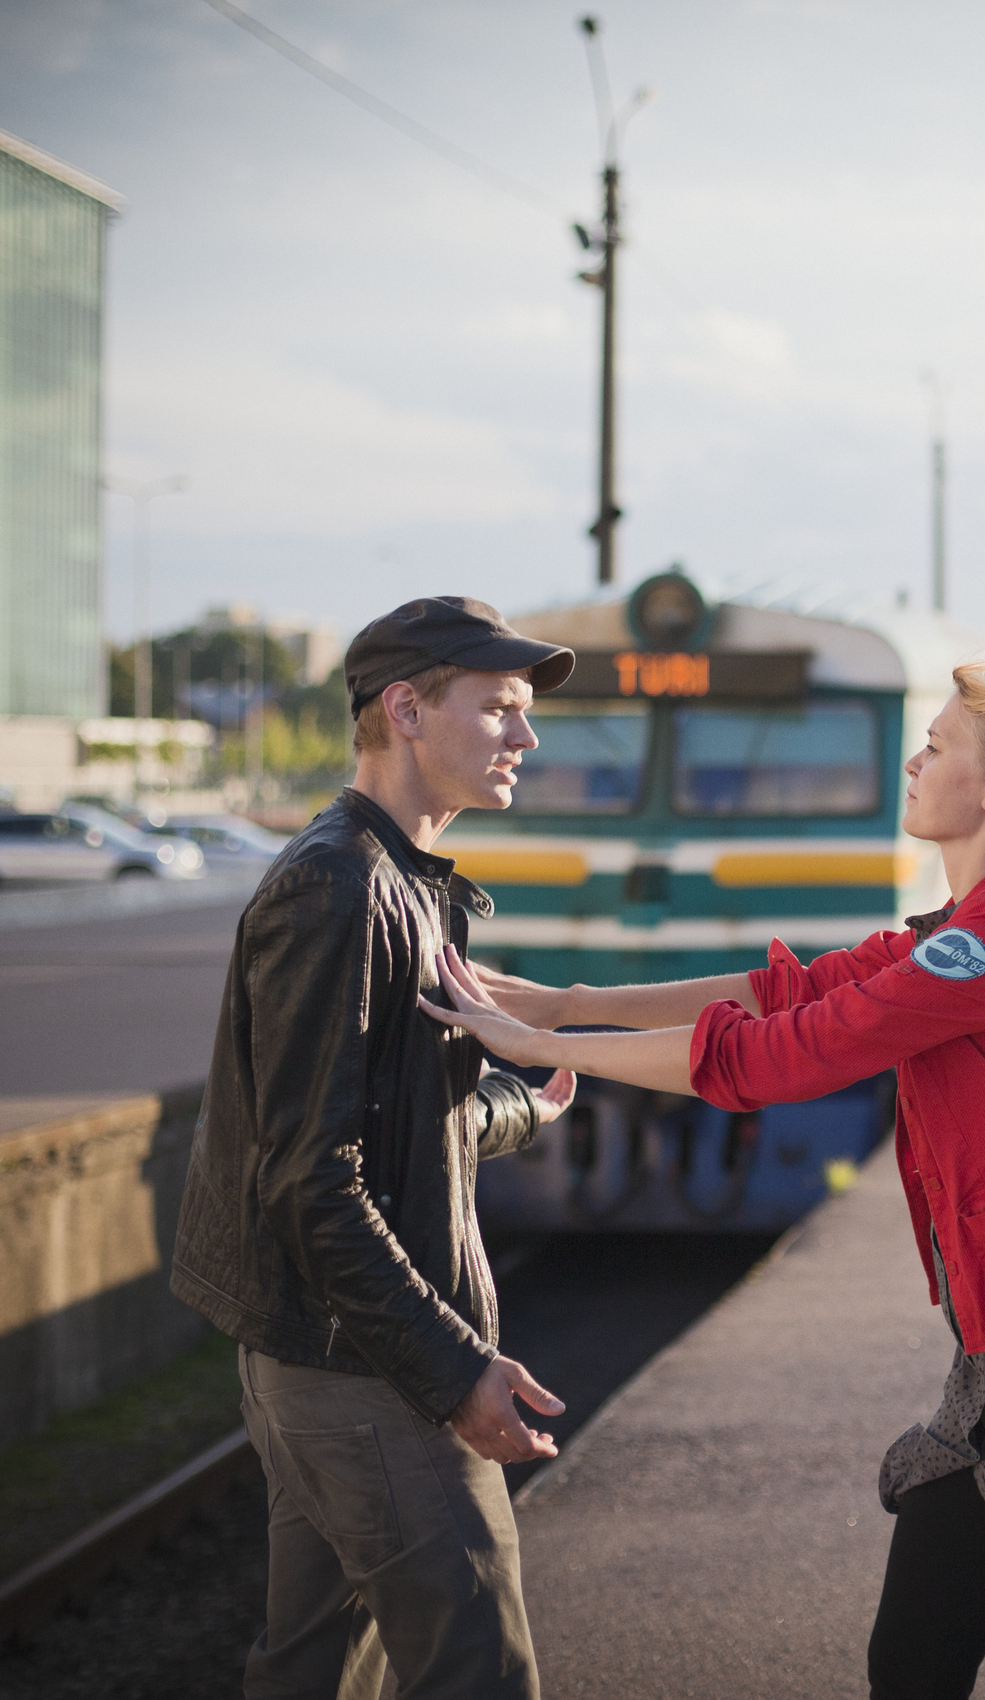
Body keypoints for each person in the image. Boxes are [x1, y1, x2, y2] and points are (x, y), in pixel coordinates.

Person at [425, 657, 985, 1700]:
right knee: (910, 1665)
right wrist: (560, 1004)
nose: (913, 757)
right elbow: (789, 989)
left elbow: (774, 1056)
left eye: (935, 745)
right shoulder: (968, 933)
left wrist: (537, 1045)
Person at [171, 596, 581, 1700]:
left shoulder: (402, 882)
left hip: (331, 1355)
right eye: (497, 707)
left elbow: (398, 1118)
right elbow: (309, 1178)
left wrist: (519, 1107)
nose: (524, 736)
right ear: (405, 709)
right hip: (364, 1370)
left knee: (310, 1674)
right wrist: (455, 1372)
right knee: (479, 1670)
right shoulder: (339, 888)